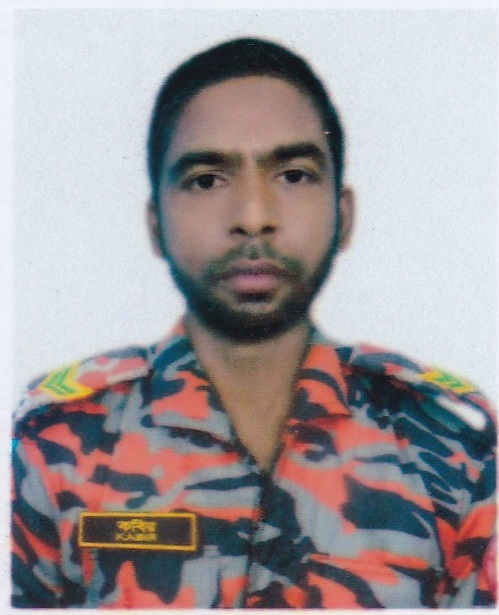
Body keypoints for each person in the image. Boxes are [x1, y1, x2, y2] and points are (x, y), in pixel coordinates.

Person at [11, 37, 496, 609]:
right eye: (206, 180)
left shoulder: (450, 447)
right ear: (155, 223)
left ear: (343, 216)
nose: (253, 217)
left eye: (293, 175)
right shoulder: (53, 445)